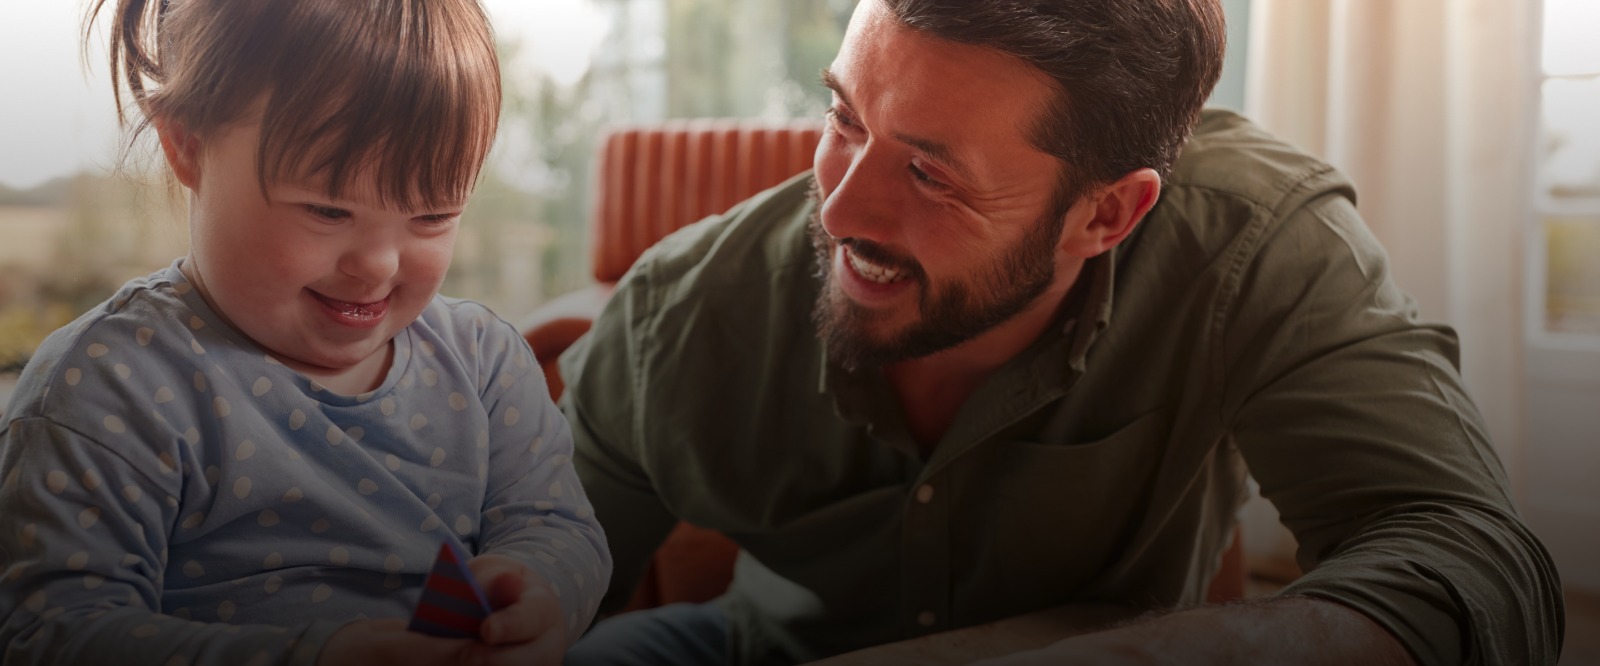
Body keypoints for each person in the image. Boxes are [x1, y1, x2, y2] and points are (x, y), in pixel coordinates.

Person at [558, 0, 1564, 664]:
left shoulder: (1257, 246)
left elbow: (1471, 563)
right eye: (845, 118)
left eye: (930, 173)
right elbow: (540, 567)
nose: (839, 209)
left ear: (1107, 215)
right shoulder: (677, 316)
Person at [0, 1, 611, 664]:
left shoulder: (486, 364)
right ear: (187, 147)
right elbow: (52, 633)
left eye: (433, 216)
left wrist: (538, 590)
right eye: (327, 210)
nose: (378, 265)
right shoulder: (108, 385)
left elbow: (559, 529)